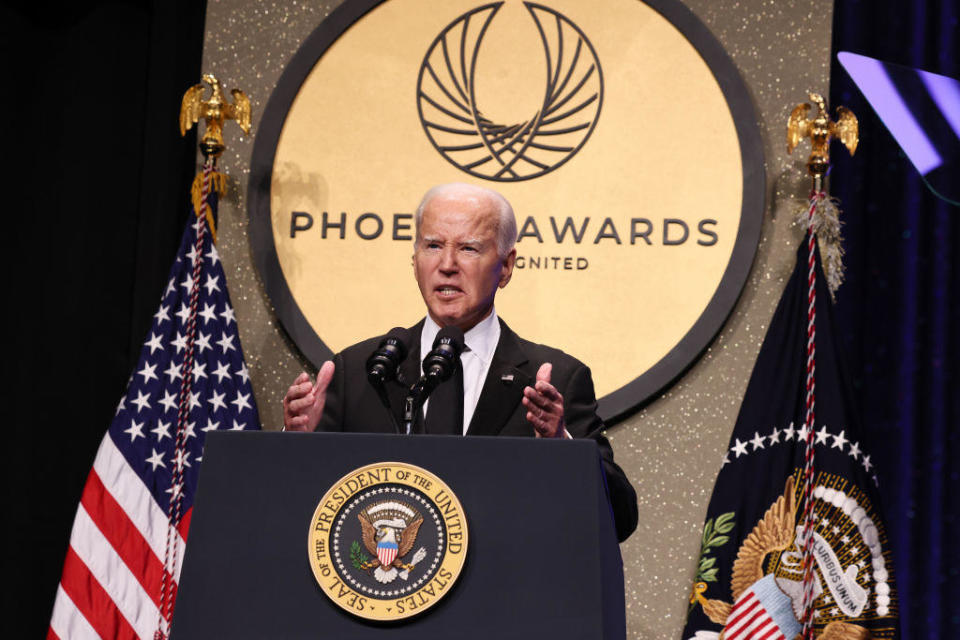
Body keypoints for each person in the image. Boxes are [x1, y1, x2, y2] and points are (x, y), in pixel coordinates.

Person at [282, 183, 637, 541]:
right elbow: (293, 509)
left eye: (468, 248)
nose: (447, 265)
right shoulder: (361, 371)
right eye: (433, 245)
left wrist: (564, 448)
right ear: (415, 258)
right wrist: (295, 448)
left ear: (506, 267)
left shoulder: (556, 378)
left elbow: (619, 518)